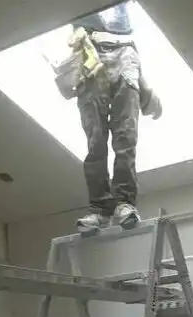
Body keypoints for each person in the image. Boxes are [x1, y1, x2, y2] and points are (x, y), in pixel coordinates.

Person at [56, 3, 162, 232]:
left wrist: (143, 86)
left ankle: (124, 202)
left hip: (125, 50)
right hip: (89, 52)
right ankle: (100, 209)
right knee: (96, 139)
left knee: (126, 136)